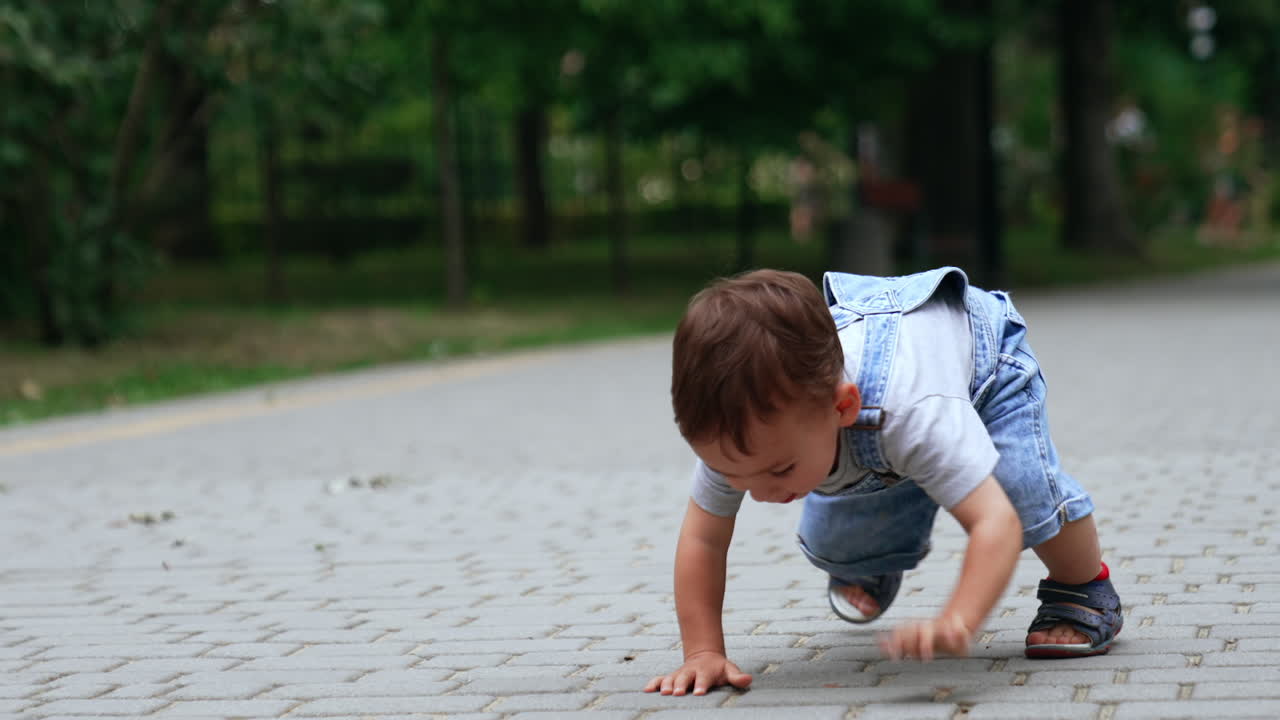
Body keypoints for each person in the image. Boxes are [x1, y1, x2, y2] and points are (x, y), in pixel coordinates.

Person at [644, 267, 1123, 697]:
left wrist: (960, 616)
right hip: (890, 424)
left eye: (780, 471)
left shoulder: (912, 412)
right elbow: (703, 540)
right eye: (734, 476)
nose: (761, 493)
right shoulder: (743, 433)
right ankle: (875, 557)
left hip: (986, 367)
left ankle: (1080, 588)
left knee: (1021, 494)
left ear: (841, 406)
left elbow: (993, 522)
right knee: (833, 542)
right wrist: (702, 652)